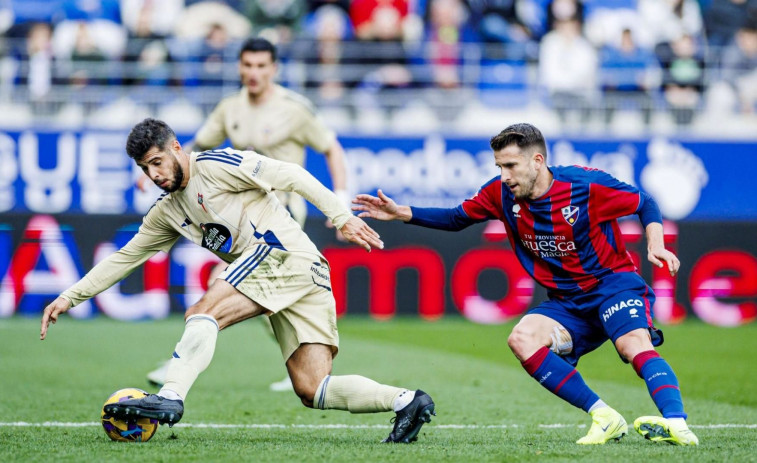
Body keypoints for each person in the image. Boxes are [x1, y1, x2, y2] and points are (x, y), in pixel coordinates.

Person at [40, 118, 436, 444]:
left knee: (203, 310)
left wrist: (342, 216)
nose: (154, 174)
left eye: (158, 162)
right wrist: (70, 297)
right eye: (145, 168)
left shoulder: (216, 164)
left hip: (282, 254)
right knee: (312, 388)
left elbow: (293, 175)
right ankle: (407, 401)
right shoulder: (166, 211)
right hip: (305, 272)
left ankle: (171, 397)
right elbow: (125, 257)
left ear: (177, 147)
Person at [352, 123, 698, 446]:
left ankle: (677, 424)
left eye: (511, 166)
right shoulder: (500, 195)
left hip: (612, 285)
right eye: (500, 166)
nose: (504, 176)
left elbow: (645, 202)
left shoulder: (585, 185)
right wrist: (402, 213)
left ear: (537, 160)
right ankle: (604, 417)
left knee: (632, 344)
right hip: (567, 302)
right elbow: (458, 217)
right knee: (521, 338)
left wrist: (656, 244)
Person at [139, 36, 351, 391]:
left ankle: (180, 363)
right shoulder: (229, 108)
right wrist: (156, 167)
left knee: (221, 284)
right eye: (247, 65)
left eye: (261, 66)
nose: (253, 72)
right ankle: (301, 356)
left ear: (274, 69)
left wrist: (340, 201)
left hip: (281, 210)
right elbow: (195, 148)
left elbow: (332, 148)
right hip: (241, 210)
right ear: (239, 66)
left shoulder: (294, 108)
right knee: (255, 294)